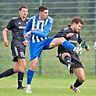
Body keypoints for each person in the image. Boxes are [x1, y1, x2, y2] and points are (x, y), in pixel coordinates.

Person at [23, 6, 83, 93]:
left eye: (47, 12)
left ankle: (75, 49)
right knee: (33, 65)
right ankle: (28, 86)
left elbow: (44, 34)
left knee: (61, 39)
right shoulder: (32, 20)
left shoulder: (49, 20)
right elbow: (26, 30)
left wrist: (32, 32)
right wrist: (26, 39)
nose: (47, 14)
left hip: (45, 41)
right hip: (34, 44)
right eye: (45, 13)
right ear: (40, 12)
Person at [54, 17, 89, 93]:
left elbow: (79, 40)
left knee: (82, 79)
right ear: (74, 24)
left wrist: (86, 46)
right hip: (63, 53)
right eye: (79, 26)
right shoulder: (66, 30)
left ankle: (74, 86)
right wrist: (66, 36)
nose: (80, 28)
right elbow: (56, 37)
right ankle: (69, 65)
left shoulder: (77, 32)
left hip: (74, 55)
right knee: (66, 54)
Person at [0, 5, 29, 89]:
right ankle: (20, 86)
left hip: (23, 46)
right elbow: (5, 30)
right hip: (16, 44)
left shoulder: (29, 21)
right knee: (23, 63)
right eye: (23, 11)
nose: (25, 13)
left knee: (16, 69)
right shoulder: (14, 21)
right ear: (19, 11)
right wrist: (5, 40)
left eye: (26, 11)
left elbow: (31, 33)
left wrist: (28, 40)